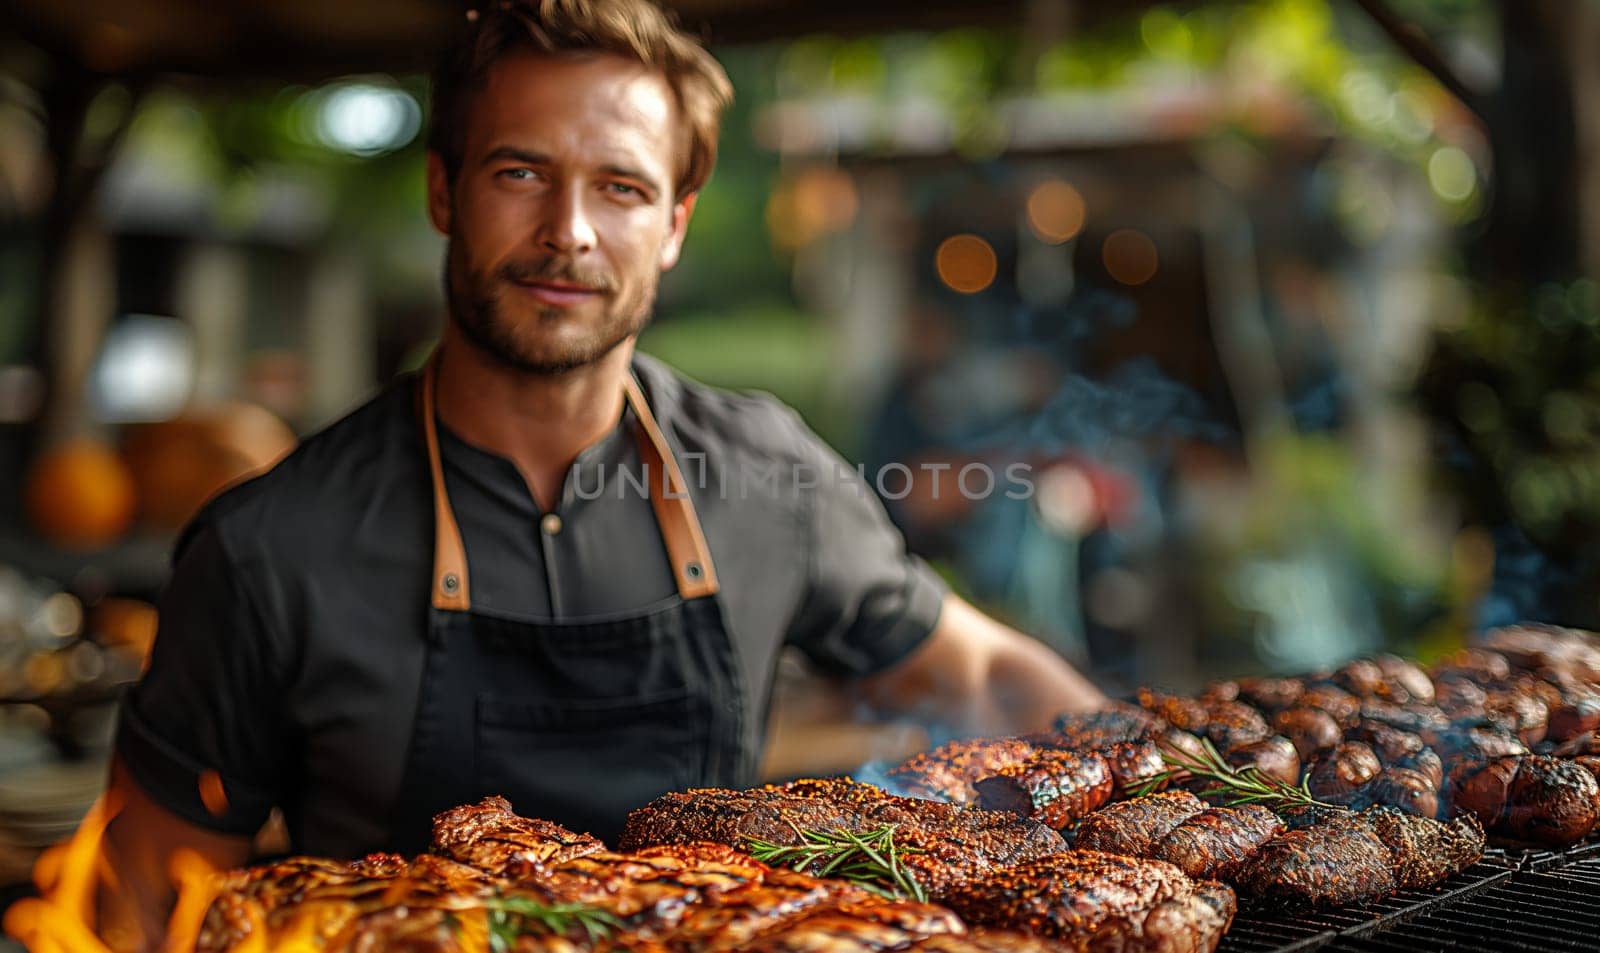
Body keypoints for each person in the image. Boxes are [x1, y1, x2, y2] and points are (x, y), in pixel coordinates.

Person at [98, 0, 1105, 944]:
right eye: (519, 172)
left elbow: (979, 675)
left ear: (672, 224)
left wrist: (1176, 771)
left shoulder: (765, 480)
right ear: (443, 189)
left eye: (620, 186)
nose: (568, 231)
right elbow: (145, 902)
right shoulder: (271, 547)